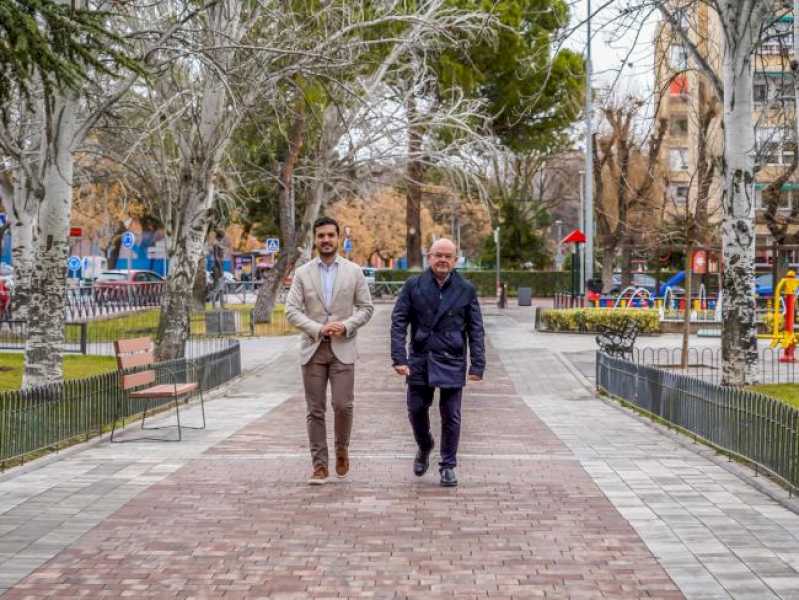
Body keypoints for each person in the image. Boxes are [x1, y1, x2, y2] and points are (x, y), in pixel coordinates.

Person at [286, 216, 374, 484]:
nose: (325, 240)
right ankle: (320, 466)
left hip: (343, 349)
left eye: (330, 235)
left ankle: (342, 449)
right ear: (315, 239)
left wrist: (346, 326)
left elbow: (366, 308)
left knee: (343, 405)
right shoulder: (303, 273)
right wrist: (316, 328)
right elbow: (291, 310)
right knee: (315, 410)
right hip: (313, 349)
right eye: (321, 236)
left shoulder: (353, 271)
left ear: (338, 239)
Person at [390, 238, 485, 487]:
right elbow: (399, 321)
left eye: (448, 256)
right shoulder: (413, 285)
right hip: (421, 357)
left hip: (451, 357)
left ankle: (448, 465)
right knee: (415, 408)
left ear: (456, 260)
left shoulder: (466, 289)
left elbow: (476, 329)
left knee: (451, 414)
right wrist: (398, 357)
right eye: (438, 255)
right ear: (429, 257)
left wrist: (477, 364)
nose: (442, 260)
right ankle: (425, 444)